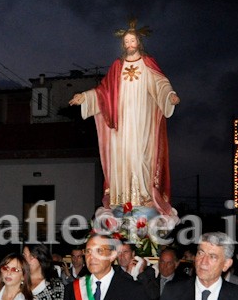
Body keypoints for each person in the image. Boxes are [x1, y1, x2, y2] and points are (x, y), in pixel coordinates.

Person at [69, 20, 179, 216]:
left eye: (132, 41)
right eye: (126, 41)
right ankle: (122, 196)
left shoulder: (147, 64)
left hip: (142, 119)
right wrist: (85, 97)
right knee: (122, 155)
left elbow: (161, 84)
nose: (129, 44)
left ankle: (143, 195)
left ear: (139, 42)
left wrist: (169, 95)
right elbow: (104, 91)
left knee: (141, 156)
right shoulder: (117, 66)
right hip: (121, 122)